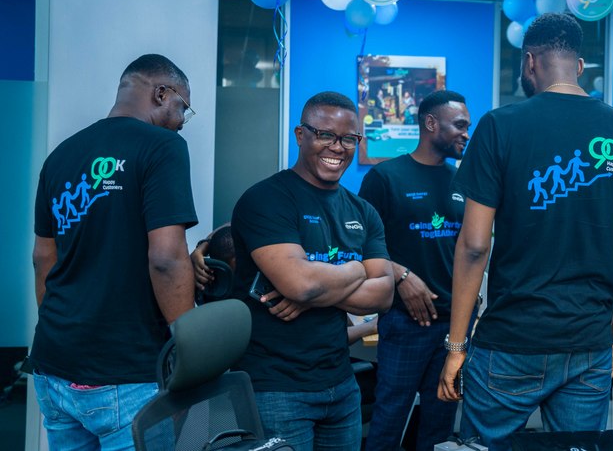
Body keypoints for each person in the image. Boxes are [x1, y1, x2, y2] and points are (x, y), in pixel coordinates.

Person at [437, 13, 613, 450]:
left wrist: (456, 346)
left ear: (530, 62)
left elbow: (475, 246)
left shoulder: (499, 125)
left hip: (511, 340)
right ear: (579, 66)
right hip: (590, 343)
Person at [30, 54, 197, 451]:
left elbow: (43, 258)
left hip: (54, 365)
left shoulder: (61, 155)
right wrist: (191, 347)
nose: (181, 121)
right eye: (183, 108)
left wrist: (65, 332)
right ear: (161, 93)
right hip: (126, 372)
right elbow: (166, 259)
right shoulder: (164, 146)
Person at [231, 91, 394, 451]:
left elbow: (384, 294)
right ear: (300, 135)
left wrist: (317, 292)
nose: (337, 147)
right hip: (276, 387)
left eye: (348, 138)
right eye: (325, 135)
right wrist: (355, 269)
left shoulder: (363, 211)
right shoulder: (266, 199)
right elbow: (300, 284)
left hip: (342, 383)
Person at [360, 90, 472, 451]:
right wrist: (400, 275)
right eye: (459, 125)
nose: (466, 133)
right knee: (389, 421)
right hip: (404, 322)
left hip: (453, 325)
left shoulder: (463, 181)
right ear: (431, 123)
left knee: (440, 428)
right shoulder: (385, 177)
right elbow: (360, 244)